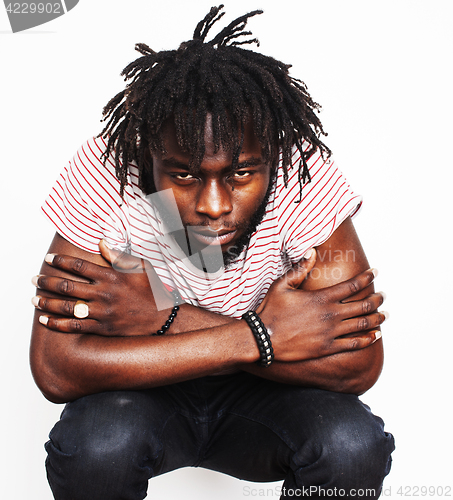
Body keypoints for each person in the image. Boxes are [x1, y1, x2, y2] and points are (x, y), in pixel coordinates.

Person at [30, 6, 395, 499]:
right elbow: (55, 368)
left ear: (271, 161)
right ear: (148, 159)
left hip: (266, 397)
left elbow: (358, 365)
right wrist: (265, 336)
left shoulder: (303, 174)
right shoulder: (108, 169)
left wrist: (160, 315)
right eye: (184, 175)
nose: (213, 206)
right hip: (142, 392)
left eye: (241, 174)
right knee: (97, 445)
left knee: (352, 445)